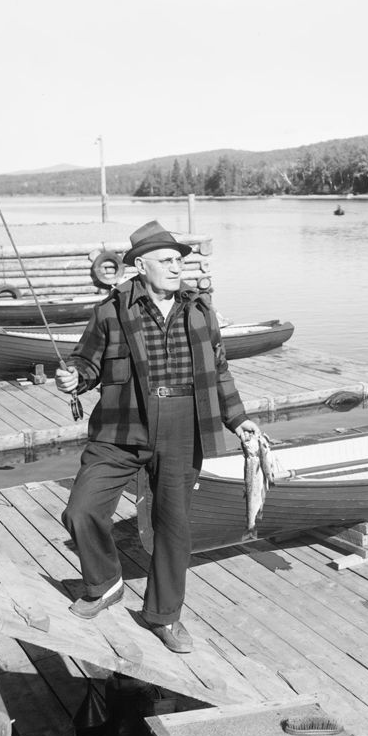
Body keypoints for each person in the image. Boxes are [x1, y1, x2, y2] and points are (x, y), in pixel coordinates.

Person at [55, 220, 258, 653]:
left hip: (184, 424)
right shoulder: (111, 310)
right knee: (81, 510)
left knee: (173, 525)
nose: (176, 267)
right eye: (166, 261)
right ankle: (105, 583)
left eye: (179, 261)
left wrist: (238, 418)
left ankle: (163, 615)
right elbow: (86, 362)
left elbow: (219, 371)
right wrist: (74, 377)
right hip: (122, 425)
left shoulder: (199, 310)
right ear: (141, 265)